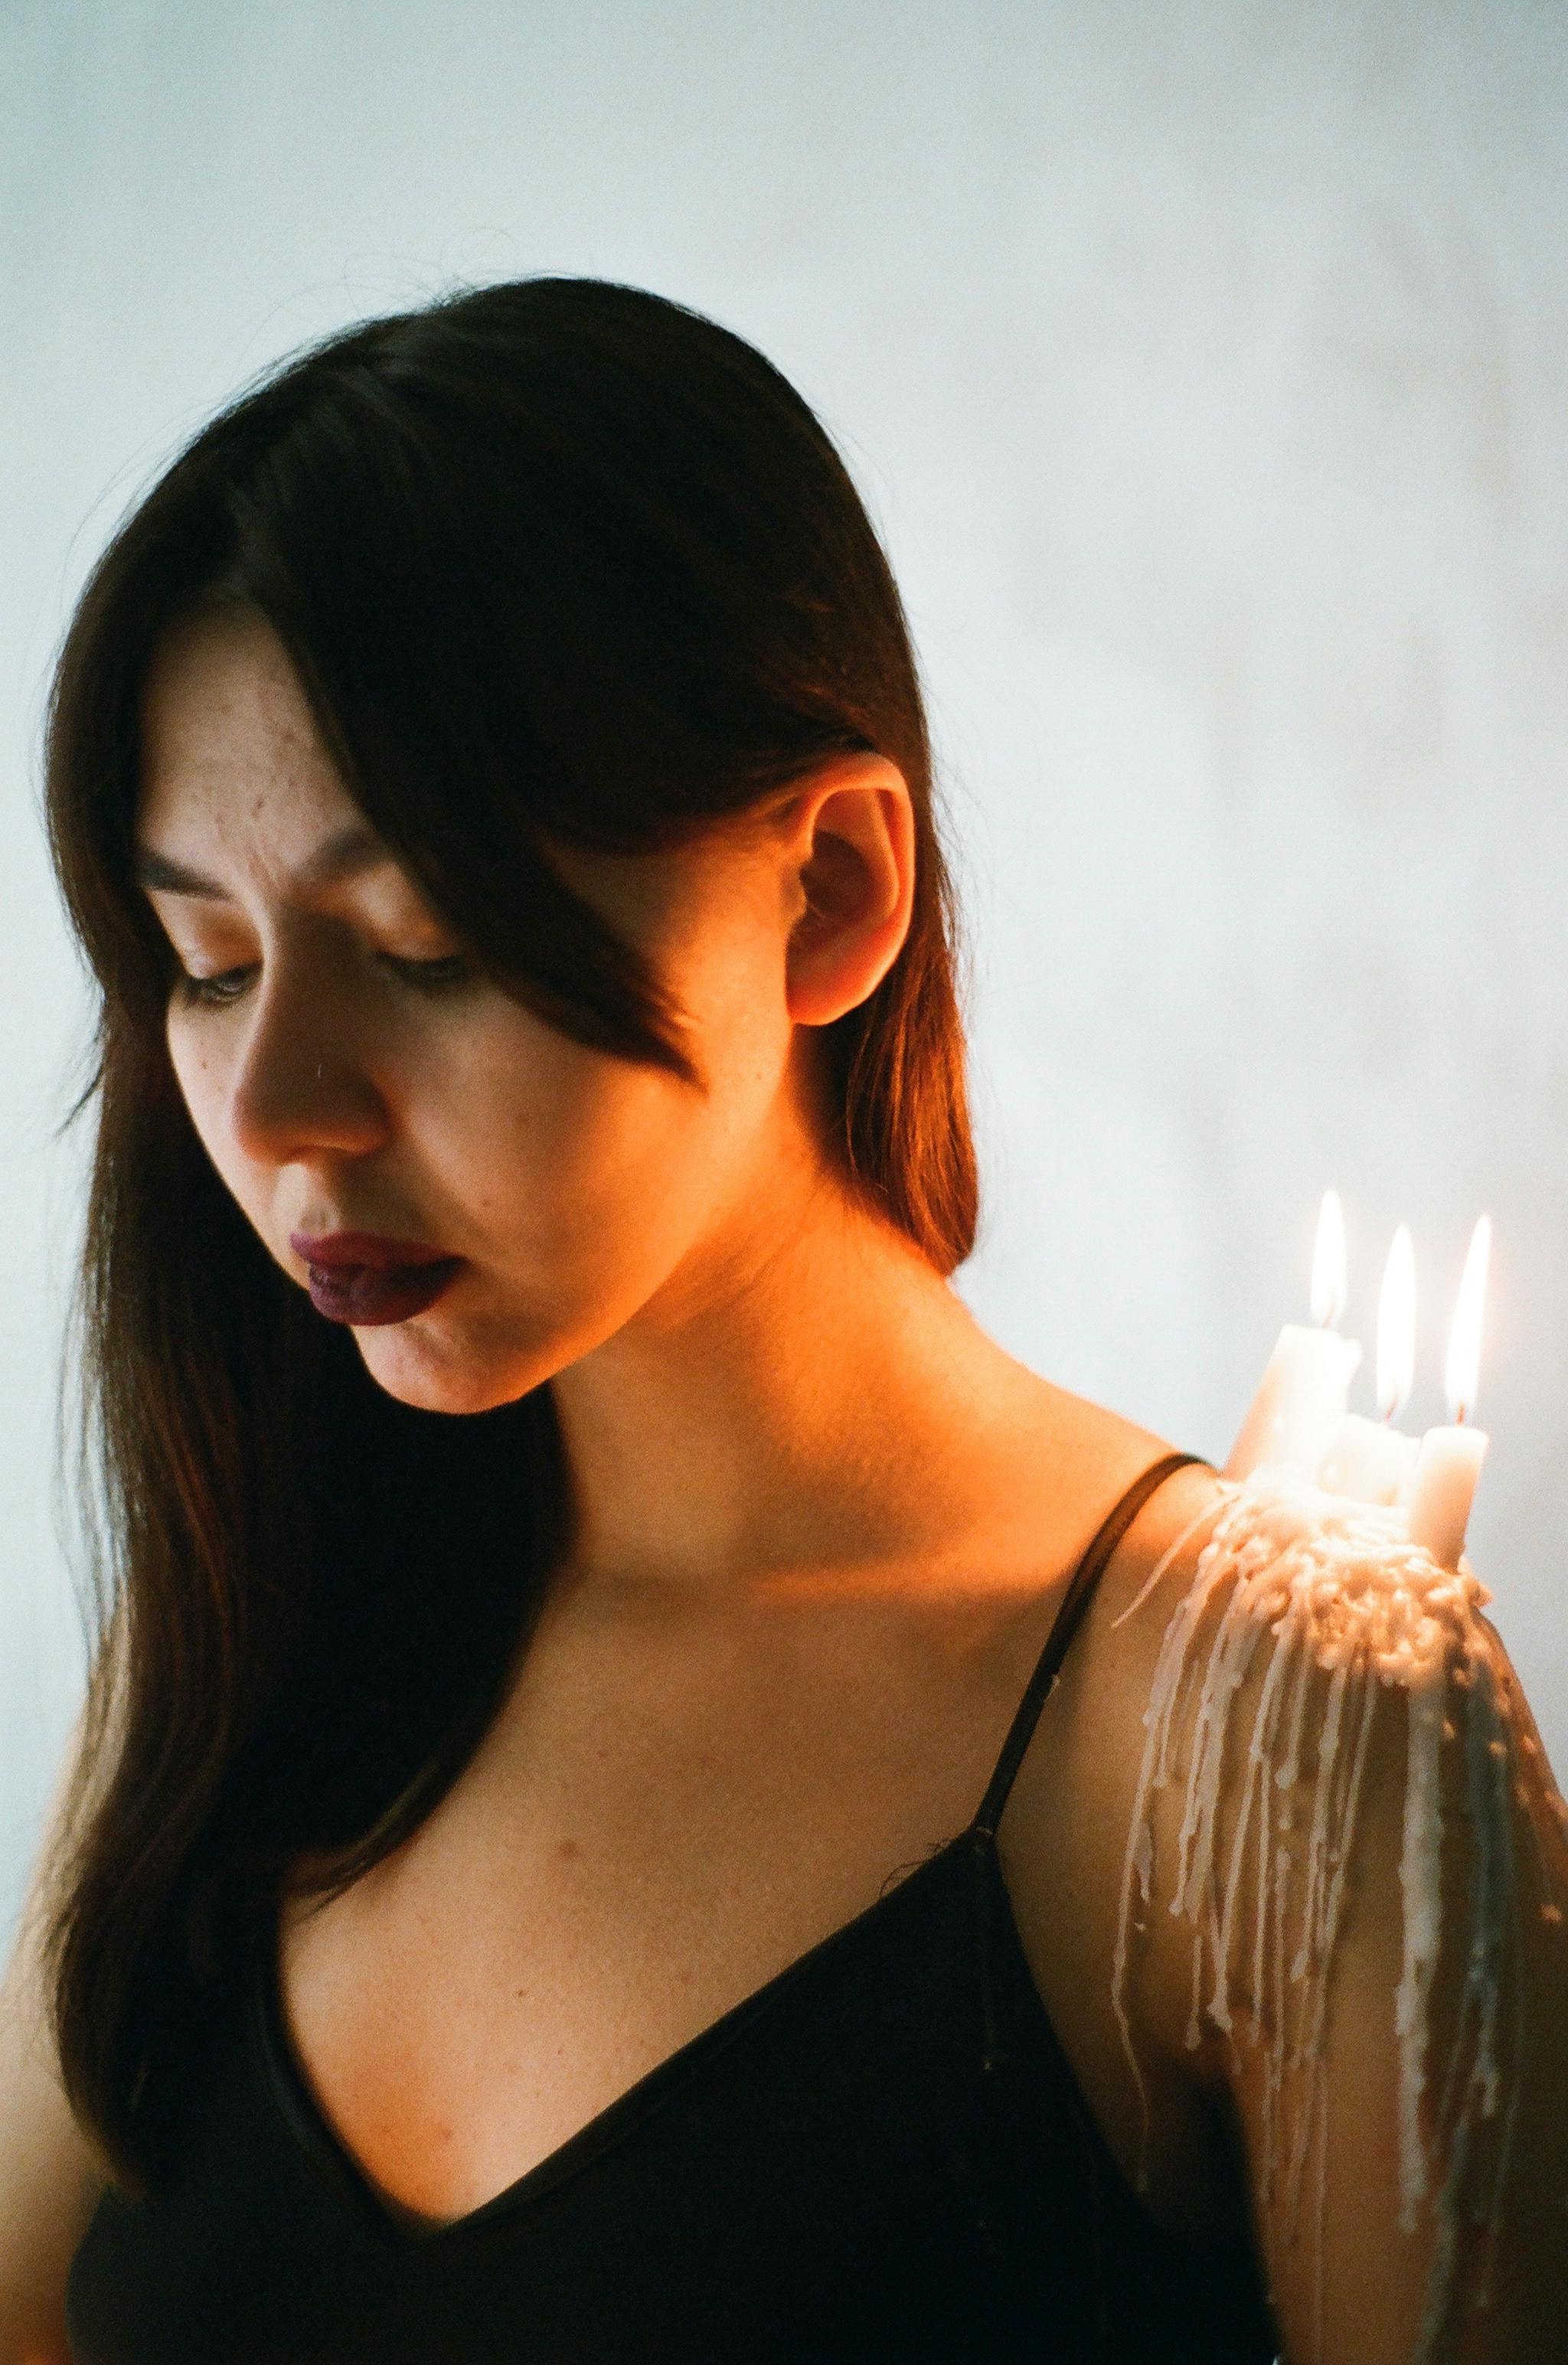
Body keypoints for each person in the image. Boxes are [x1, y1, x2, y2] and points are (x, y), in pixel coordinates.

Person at [0, 276, 1561, 2365]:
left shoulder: (1269, 1730)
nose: (275, 1105)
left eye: (423, 942)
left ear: (828, 888)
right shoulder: (244, 1630)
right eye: (203, 959)